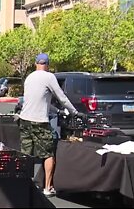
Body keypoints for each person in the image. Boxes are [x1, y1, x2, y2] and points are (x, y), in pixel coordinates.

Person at [19, 53, 84, 197]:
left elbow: (39, 100)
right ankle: (47, 188)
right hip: (40, 122)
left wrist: (58, 111)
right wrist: (74, 112)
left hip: (24, 119)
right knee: (48, 154)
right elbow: (61, 97)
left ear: (36, 64)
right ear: (47, 65)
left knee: (26, 154)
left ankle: (23, 185)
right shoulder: (49, 77)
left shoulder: (29, 77)